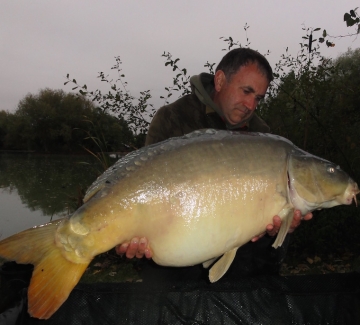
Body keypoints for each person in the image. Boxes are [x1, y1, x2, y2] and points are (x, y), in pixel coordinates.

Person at [116, 48, 312, 276]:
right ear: (219, 81)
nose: (250, 105)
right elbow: (143, 189)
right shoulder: (173, 119)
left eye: (257, 98)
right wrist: (132, 237)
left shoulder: (261, 135)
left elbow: (265, 216)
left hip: (240, 262)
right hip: (174, 260)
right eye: (246, 91)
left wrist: (280, 228)